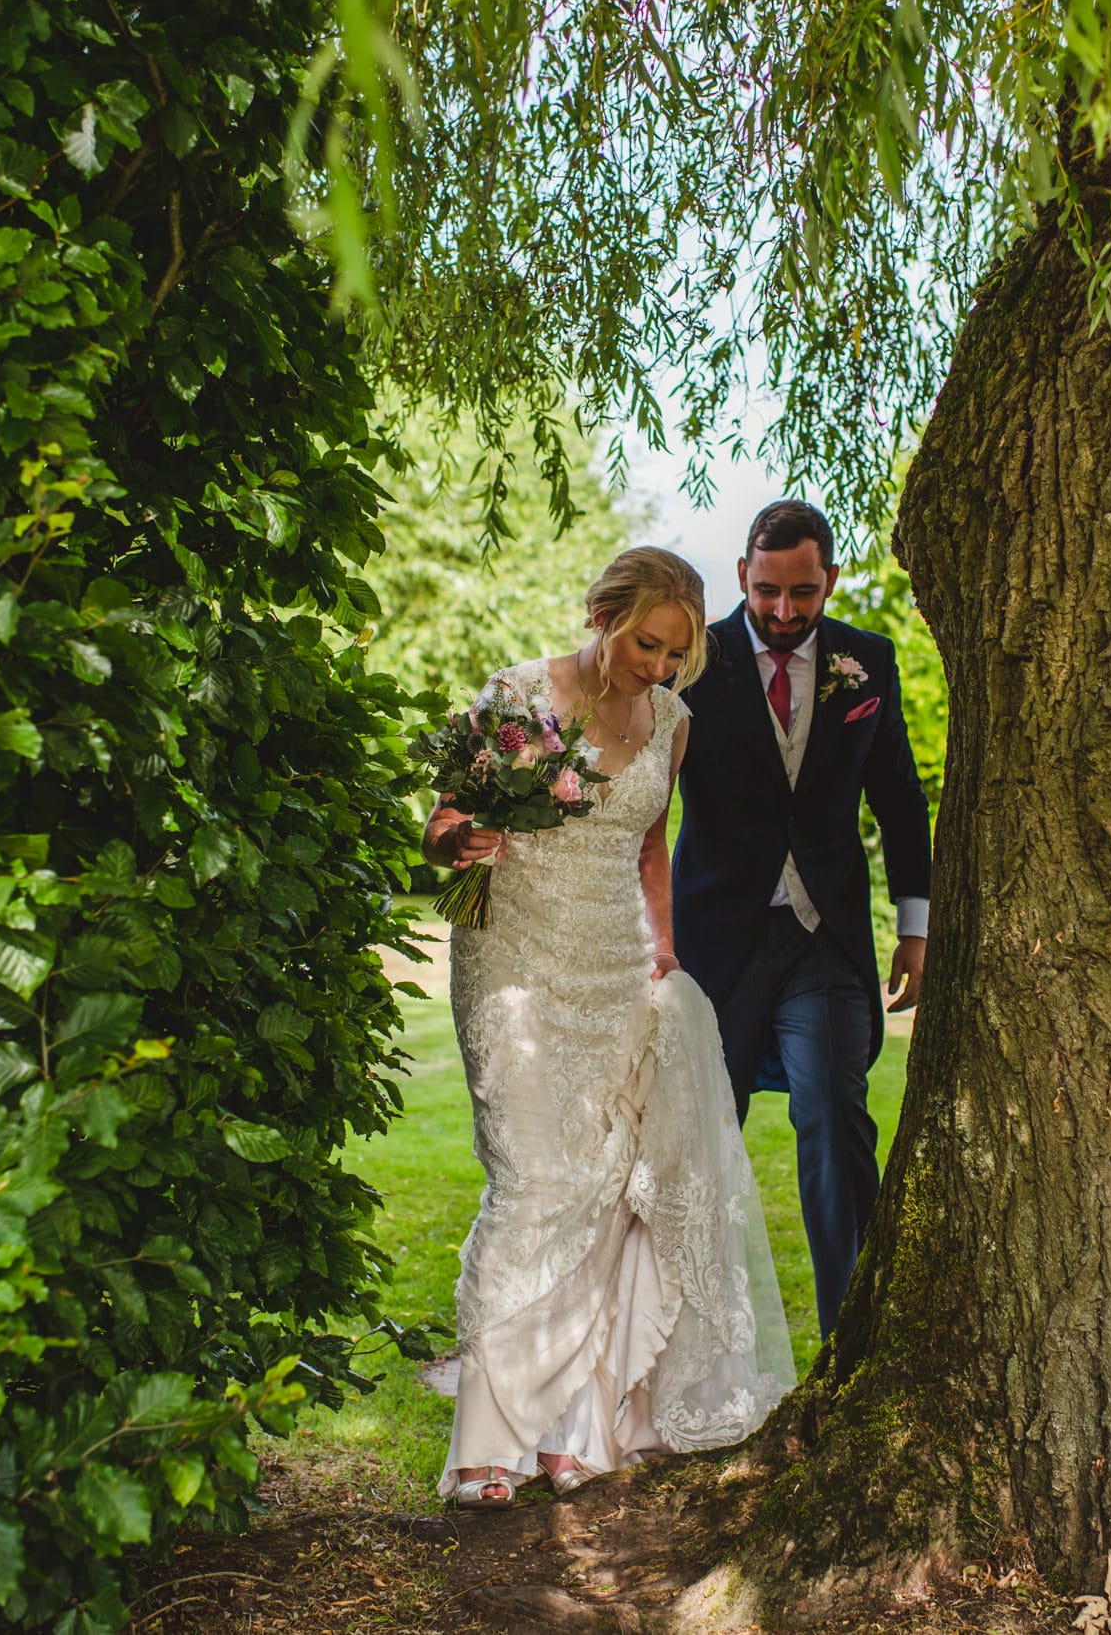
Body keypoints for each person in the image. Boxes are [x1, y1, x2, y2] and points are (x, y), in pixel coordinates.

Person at [422, 546, 795, 1510]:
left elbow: (650, 839)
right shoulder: (517, 697)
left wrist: (662, 945)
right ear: (603, 614)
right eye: (646, 644)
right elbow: (441, 823)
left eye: (675, 654)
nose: (658, 668)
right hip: (513, 961)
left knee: (599, 1191)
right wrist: (462, 839)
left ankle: (568, 1429)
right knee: (533, 1179)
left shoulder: (671, 722)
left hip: (615, 968)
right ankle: (487, 1443)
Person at [671, 500, 934, 1345]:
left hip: (825, 937)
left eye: (804, 593)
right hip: (715, 939)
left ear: (830, 580)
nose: (784, 612)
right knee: (704, 1132)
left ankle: (850, 1345)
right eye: (768, 590)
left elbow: (900, 800)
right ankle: (683, 1346)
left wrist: (916, 927)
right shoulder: (693, 662)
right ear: (744, 575)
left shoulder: (870, 662)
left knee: (833, 1115)